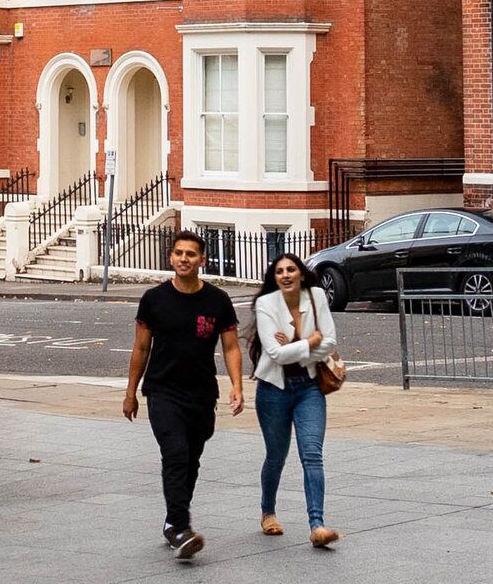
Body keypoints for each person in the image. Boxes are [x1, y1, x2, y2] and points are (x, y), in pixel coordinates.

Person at [120, 230, 244, 559]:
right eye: (178, 253)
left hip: (201, 394)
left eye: (190, 254)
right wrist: (131, 392)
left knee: (190, 460)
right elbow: (141, 347)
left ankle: (172, 520)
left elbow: (231, 347)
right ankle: (179, 527)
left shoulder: (218, 300)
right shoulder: (154, 299)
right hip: (162, 391)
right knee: (175, 453)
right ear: (171, 257)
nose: (184, 259)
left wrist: (237, 385)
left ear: (202, 259)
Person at [248, 251, 339, 548]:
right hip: (273, 389)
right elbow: (275, 354)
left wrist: (296, 346)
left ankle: (317, 525)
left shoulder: (316, 296)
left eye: (291, 269)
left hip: (309, 387)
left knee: (312, 453)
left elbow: (330, 343)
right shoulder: (265, 304)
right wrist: (309, 341)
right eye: (279, 271)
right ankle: (268, 511)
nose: (285, 275)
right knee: (276, 456)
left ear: (300, 273)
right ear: (274, 278)